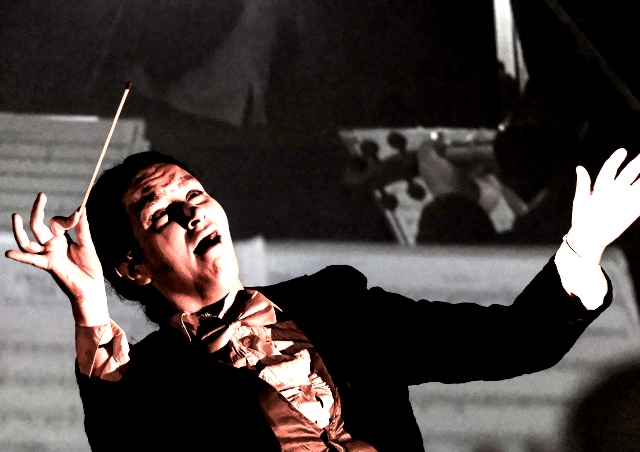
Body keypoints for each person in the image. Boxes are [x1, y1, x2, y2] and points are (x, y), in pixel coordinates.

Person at [6, 147, 640, 451]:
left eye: (195, 192)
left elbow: (507, 343)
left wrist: (581, 249)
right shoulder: (148, 382)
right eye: (161, 212)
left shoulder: (337, 301)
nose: (192, 209)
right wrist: (89, 308)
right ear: (133, 267)